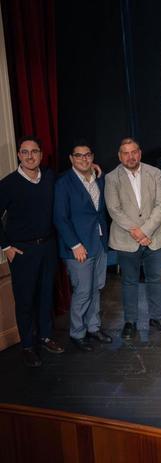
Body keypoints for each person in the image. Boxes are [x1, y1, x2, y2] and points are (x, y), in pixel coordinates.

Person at [0, 136, 65, 366]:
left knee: (46, 294)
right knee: (25, 300)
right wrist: (5, 247)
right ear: (19, 155)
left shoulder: (48, 176)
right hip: (22, 251)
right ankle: (28, 345)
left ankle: (46, 336)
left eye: (34, 151)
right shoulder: (8, 184)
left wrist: (92, 171)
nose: (30, 156)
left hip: (47, 246)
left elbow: (70, 182)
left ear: (40, 154)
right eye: (25, 152)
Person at [105, 138, 161, 340]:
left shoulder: (154, 173)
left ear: (140, 153)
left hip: (153, 237)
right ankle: (130, 322)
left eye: (134, 151)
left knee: (155, 279)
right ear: (120, 156)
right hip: (127, 240)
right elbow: (114, 209)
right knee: (129, 282)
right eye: (125, 153)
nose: (130, 156)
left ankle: (156, 317)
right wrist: (136, 232)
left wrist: (145, 231)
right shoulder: (112, 178)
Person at [54, 140, 112, 351]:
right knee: (83, 291)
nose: (83, 159)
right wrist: (75, 244)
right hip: (78, 248)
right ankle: (77, 333)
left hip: (98, 242)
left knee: (96, 288)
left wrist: (101, 174)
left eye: (87, 155)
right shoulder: (64, 183)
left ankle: (94, 327)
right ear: (71, 159)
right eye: (78, 155)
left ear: (92, 157)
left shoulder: (98, 179)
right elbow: (60, 218)